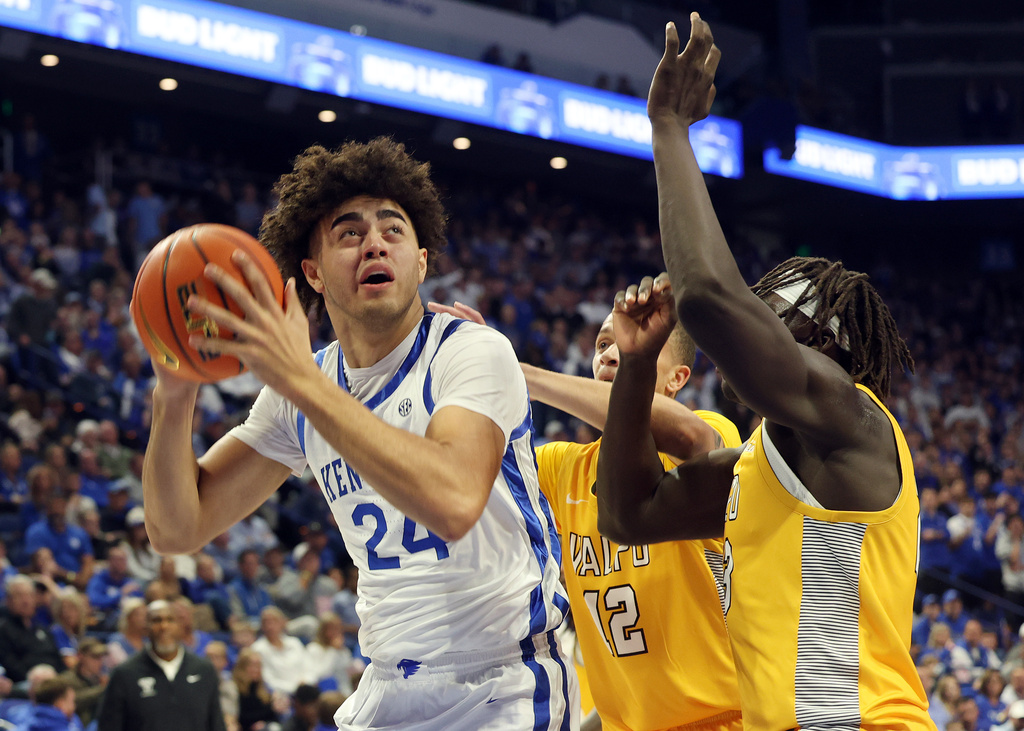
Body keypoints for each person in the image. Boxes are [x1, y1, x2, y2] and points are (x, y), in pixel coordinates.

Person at [140, 137, 576, 730]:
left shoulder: (471, 351)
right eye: (349, 232)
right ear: (313, 273)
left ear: (420, 262)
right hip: (386, 684)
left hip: (504, 684)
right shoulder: (304, 388)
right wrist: (176, 390)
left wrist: (300, 383)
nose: (374, 242)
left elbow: (452, 501)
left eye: (393, 230)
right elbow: (174, 528)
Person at [594, 14, 931, 729]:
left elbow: (712, 301)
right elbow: (628, 514)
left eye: (777, 311)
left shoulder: (854, 419)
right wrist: (637, 367)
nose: (759, 319)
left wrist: (670, 131)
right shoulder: (757, 466)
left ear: (828, 344)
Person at [429, 300, 743, 729]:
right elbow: (464, 470)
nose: (610, 354)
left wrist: (514, 371)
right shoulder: (561, 467)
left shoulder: (711, 431)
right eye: (604, 343)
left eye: (636, 350)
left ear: (678, 378)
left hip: (725, 718)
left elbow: (688, 433)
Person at [95, 599, 225, 731]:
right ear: (146, 627)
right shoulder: (124, 674)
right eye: (157, 620)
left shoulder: (204, 670)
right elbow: (109, 726)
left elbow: (216, 723)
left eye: (170, 620)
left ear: (180, 626)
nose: (164, 627)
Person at [0, 575, 64, 683]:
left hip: (54, 682)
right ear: (8, 600)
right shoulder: (3, 630)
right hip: (25, 686)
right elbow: (11, 666)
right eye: (19, 596)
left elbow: (58, 660)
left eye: (29, 595)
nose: (26, 601)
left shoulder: (42, 629)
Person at [57, 637, 107, 727]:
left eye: (101, 657)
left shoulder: (101, 679)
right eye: (95, 657)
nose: (99, 662)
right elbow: (74, 701)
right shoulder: (66, 679)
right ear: (81, 656)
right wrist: (102, 689)